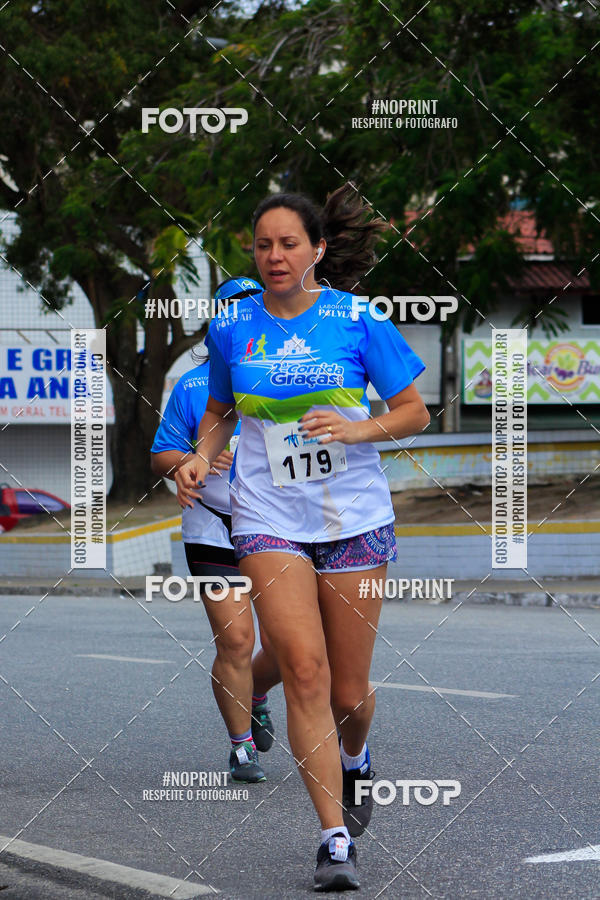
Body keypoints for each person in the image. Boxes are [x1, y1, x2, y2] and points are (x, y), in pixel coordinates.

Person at [174, 186, 430, 891]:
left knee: (348, 692)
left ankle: (357, 759)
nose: (275, 255)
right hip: (267, 520)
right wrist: (201, 455)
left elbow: (414, 412)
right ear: (253, 256)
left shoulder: (358, 319)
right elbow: (221, 413)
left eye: (289, 244)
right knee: (305, 673)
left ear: (317, 250)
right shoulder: (235, 329)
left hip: (354, 519)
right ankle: (333, 839)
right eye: (264, 246)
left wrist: (356, 428)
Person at [151, 276, 281, 784]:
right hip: (211, 523)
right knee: (236, 641)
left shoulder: (289, 375)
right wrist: (189, 460)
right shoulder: (190, 385)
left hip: (275, 523)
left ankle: (255, 694)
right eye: (232, 311)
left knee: (286, 645)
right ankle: (241, 746)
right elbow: (161, 453)